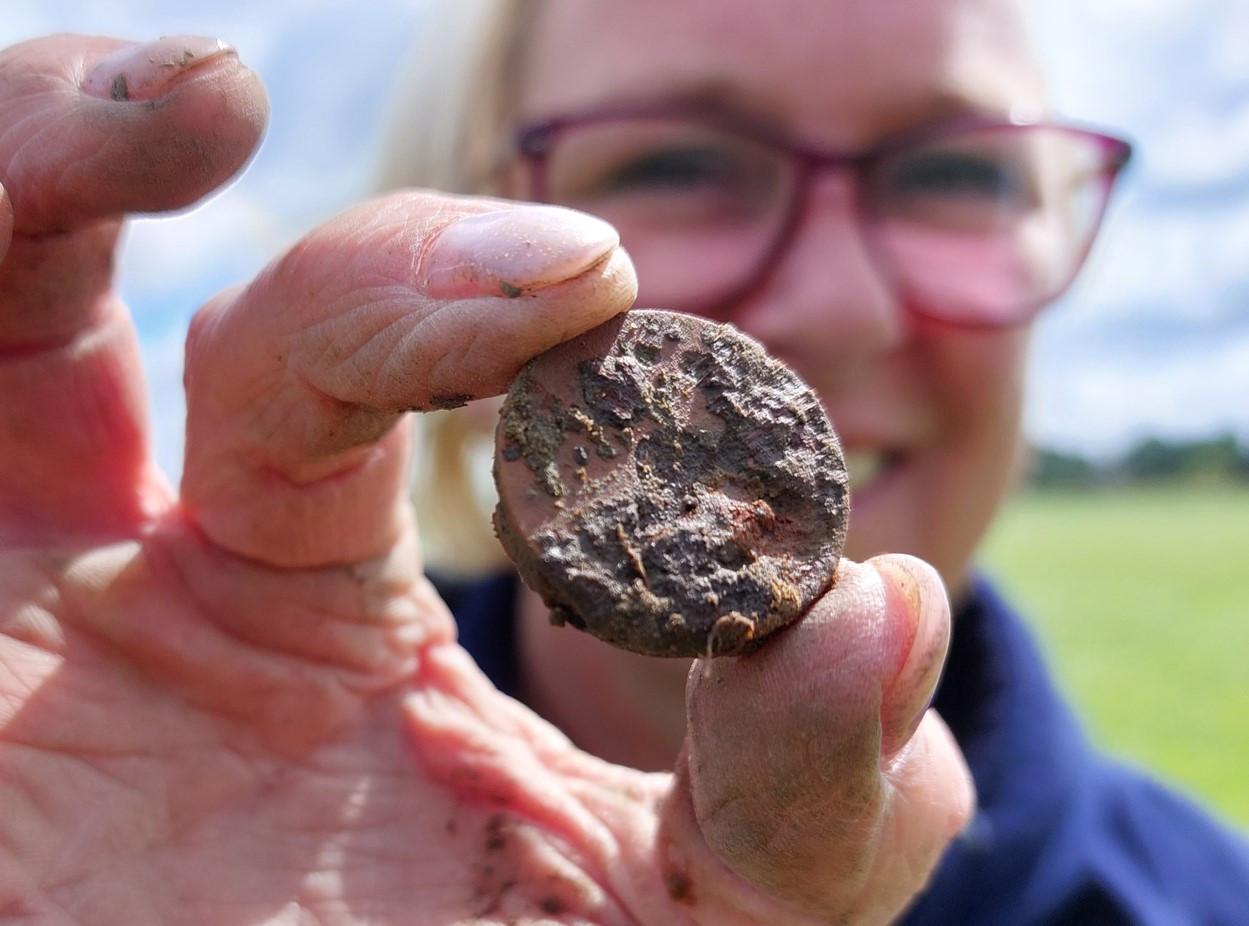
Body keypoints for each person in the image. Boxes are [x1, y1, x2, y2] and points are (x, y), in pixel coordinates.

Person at [0, 6, 1242, 926]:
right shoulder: (171, 767)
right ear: (472, 216)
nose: (843, 304)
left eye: (955, 170)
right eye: (676, 160)